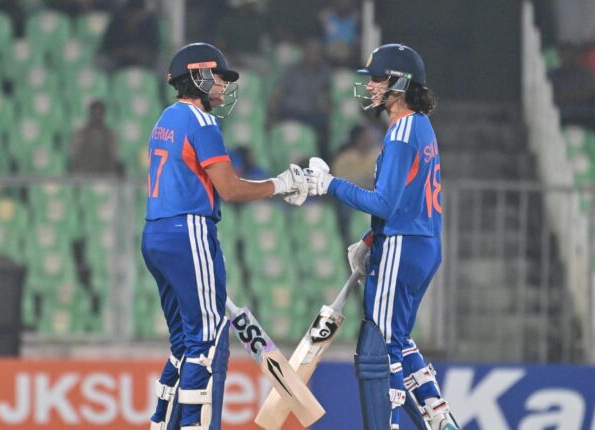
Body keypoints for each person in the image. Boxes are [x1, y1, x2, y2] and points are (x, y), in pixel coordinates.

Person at [142, 43, 306, 430]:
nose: (222, 86)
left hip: (155, 233)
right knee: (208, 338)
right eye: (217, 77)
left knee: (183, 341)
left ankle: (162, 421)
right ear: (197, 76)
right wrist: (281, 184)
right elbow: (229, 189)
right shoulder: (202, 123)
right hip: (189, 231)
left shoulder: (165, 118)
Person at [304, 44, 458, 430]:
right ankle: (438, 416)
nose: (371, 86)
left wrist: (329, 184)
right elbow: (407, 200)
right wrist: (372, 239)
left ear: (400, 83)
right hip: (421, 243)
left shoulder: (403, 130)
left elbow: (385, 203)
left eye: (377, 78)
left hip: (403, 245)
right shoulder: (420, 126)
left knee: (379, 347)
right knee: (398, 338)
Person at [268, 38, 332, 154]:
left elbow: (326, 96)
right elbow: (278, 95)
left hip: (311, 114)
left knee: (324, 130)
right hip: (291, 112)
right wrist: (272, 117)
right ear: (304, 53)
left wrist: (327, 110)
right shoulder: (292, 71)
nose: (313, 55)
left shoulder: (323, 73)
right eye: (310, 51)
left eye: (317, 52)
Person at [98, 0, 160, 70]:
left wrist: (139, 52)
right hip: (118, 57)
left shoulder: (150, 20)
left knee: (160, 66)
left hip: (143, 58)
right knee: (102, 62)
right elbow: (108, 44)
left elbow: (154, 47)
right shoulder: (118, 18)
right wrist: (123, 51)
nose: (136, 16)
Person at [548, 43, 595, 127]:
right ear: (560, 56)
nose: (568, 58)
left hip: (583, 116)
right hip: (561, 116)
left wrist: (565, 96)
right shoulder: (552, 76)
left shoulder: (585, 74)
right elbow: (551, 96)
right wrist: (572, 95)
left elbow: (589, 94)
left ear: (576, 56)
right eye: (564, 55)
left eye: (571, 55)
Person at [68, 100, 121, 175]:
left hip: (105, 174)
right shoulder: (81, 134)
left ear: (103, 115)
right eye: (95, 113)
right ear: (90, 114)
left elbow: (114, 158)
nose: (97, 117)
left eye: (99, 113)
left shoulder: (110, 135)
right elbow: (74, 156)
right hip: (84, 174)